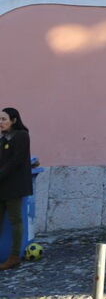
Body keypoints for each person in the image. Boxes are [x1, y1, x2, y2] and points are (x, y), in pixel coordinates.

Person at [0, 108, 31, 271]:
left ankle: (14, 257)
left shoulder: (21, 136)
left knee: (15, 220)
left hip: (14, 186)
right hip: (3, 186)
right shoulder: (3, 138)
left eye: (4, 119)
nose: (1, 122)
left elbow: (15, 161)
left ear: (13, 120)